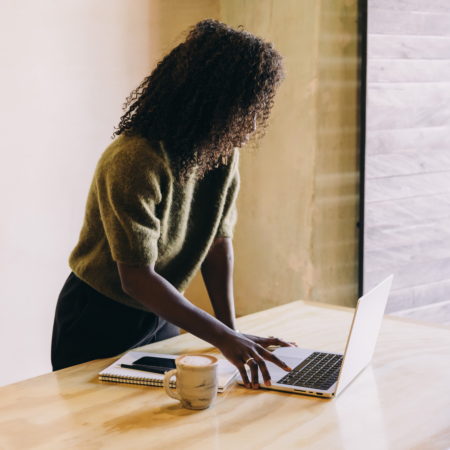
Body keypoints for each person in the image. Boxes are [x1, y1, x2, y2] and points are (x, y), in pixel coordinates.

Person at [51, 19, 295, 389]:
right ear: (209, 98)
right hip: (98, 316)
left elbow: (217, 242)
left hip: (161, 310)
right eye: (244, 107)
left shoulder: (220, 153)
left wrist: (232, 332)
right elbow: (135, 277)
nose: (250, 123)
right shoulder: (135, 158)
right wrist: (224, 340)